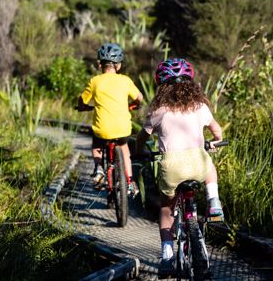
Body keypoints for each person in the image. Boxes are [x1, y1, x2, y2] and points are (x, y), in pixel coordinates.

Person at [135, 58, 224, 277]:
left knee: (166, 209)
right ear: (190, 84)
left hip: (171, 167)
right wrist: (213, 142)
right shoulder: (200, 106)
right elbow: (218, 132)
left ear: (162, 86)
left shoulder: (159, 110)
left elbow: (142, 136)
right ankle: (214, 202)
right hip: (198, 164)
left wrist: (140, 149)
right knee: (210, 168)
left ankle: (166, 256)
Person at [77, 43, 143, 195]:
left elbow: (82, 99)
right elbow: (139, 97)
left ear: (100, 64)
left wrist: (82, 107)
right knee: (125, 149)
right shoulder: (125, 80)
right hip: (123, 129)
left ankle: (99, 168)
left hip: (102, 129)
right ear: (118, 65)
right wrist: (133, 105)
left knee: (96, 144)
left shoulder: (95, 81)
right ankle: (130, 181)